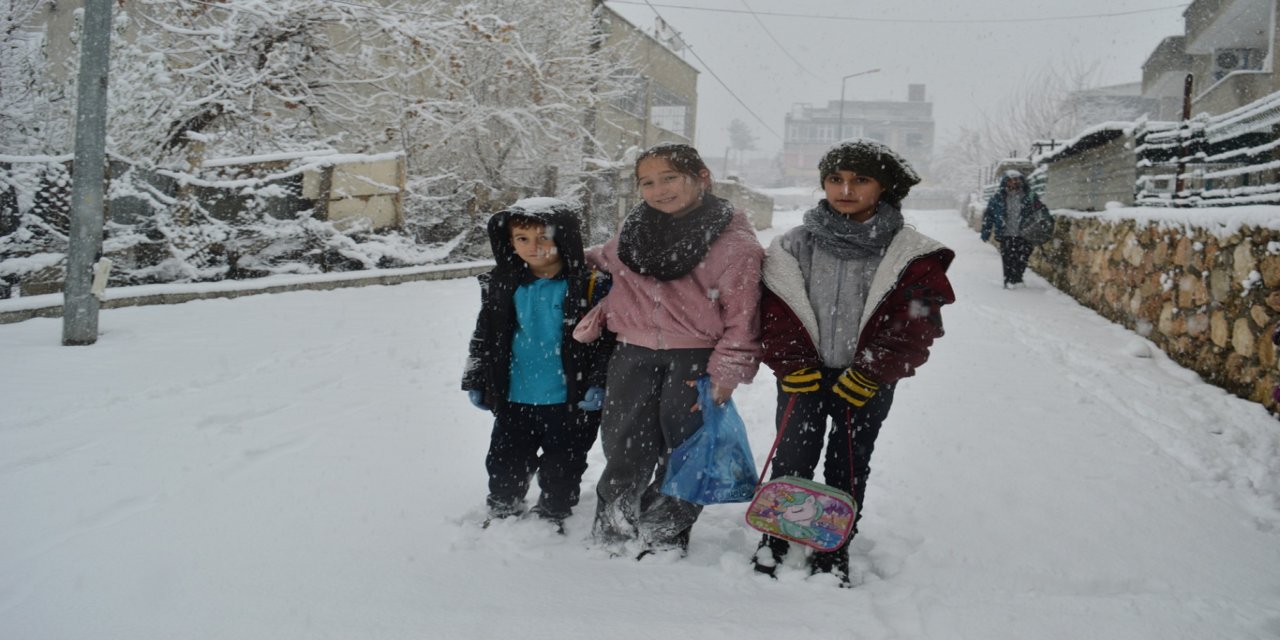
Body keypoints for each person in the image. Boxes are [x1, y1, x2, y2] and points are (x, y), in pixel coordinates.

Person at [751, 139, 955, 586]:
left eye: (860, 179)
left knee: (849, 461)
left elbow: (917, 320)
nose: (846, 188)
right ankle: (778, 534)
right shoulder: (794, 245)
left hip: (866, 378)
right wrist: (792, 362)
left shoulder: (909, 253)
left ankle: (834, 540)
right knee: (793, 455)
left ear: (882, 187)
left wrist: (873, 369)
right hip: (803, 374)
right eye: (835, 179)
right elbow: (774, 310)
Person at [576, 143, 764, 557]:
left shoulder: (736, 246)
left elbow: (743, 319)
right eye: (648, 182)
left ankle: (665, 531)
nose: (659, 190)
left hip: (694, 360)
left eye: (670, 178)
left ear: (701, 177)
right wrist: (556, 258)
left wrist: (726, 375)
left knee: (686, 452)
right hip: (631, 355)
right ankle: (614, 524)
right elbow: (604, 259)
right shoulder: (635, 230)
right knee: (624, 444)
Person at [461, 198, 614, 532]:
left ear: (565, 238)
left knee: (564, 465)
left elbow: (607, 342)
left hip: (569, 400)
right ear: (510, 242)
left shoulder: (590, 286)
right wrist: (476, 377)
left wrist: (598, 382)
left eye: (544, 237)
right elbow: (485, 334)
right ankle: (503, 506)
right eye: (523, 239)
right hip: (516, 395)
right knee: (504, 461)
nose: (534, 247)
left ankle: (553, 513)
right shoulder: (503, 284)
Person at [980, 170, 1049, 288]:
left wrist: (1044, 223)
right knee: (1007, 259)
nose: (1013, 182)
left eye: (1016, 179)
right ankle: (1008, 280)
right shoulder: (997, 198)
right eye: (1010, 180)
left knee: (1022, 258)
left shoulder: (1029, 196)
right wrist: (986, 232)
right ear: (1005, 182)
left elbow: (1041, 211)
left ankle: (1018, 279)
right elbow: (989, 215)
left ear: (1021, 181)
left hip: (1025, 234)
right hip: (1006, 234)